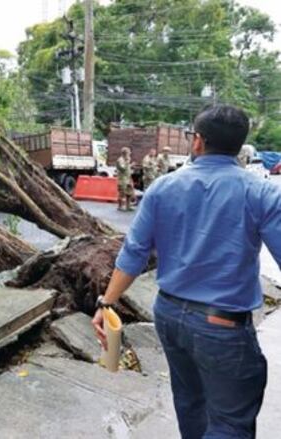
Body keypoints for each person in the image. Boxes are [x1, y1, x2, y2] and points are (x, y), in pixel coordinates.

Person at [92, 105, 275, 439]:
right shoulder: (261, 192)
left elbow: (133, 252)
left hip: (170, 315)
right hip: (222, 325)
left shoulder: (162, 187)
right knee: (229, 423)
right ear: (239, 145)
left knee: (190, 405)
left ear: (198, 142)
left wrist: (106, 304)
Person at [116, 147, 134, 211]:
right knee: (122, 193)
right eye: (129, 152)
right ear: (125, 153)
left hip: (128, 178)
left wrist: (131, 165)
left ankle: (128, 206)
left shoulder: (127, 159)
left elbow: (127, 168)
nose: (130, 154)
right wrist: (127, 162)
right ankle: (120, 206)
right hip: (122, 179)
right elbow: (122, 169)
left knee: (129, 193)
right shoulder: (120, 160)